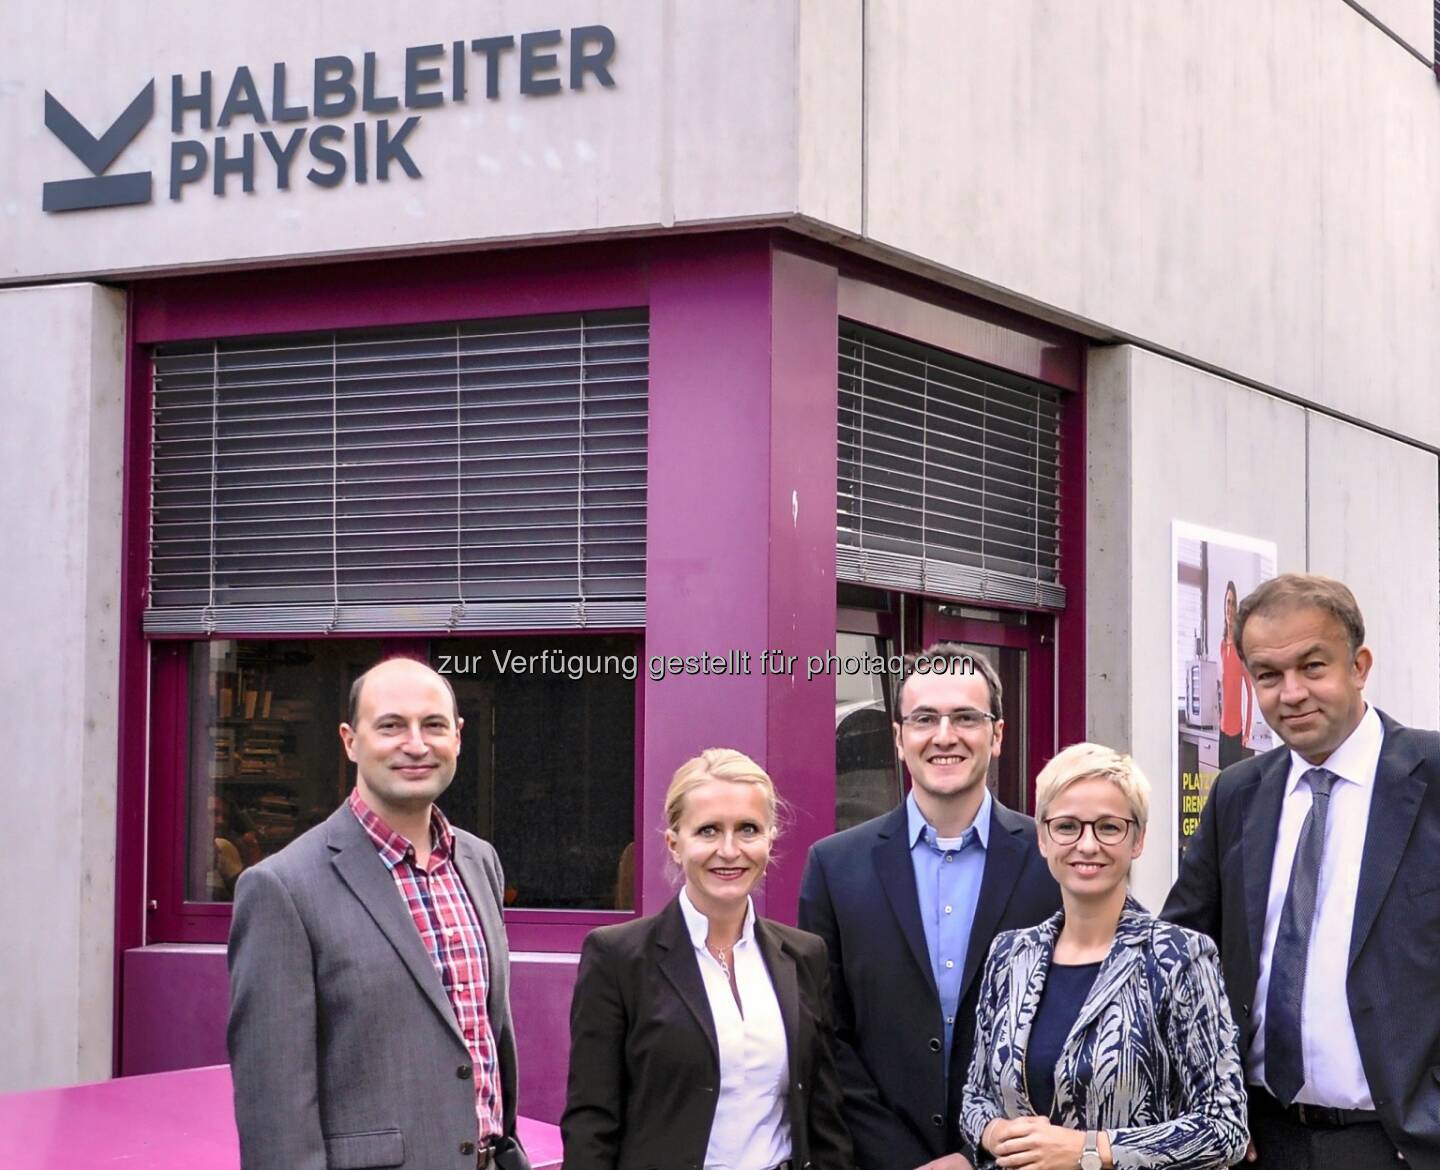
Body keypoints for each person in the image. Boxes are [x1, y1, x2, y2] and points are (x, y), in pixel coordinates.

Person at [1164, 573, 1440, 1168]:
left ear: (1359, 665)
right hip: (1259, 1141)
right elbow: (1185, 955)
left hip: (1400, 1145)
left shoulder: (1434, 778)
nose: (1291, 693)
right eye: (1268, 674)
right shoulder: (1238, 793)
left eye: (1313, 667)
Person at [227, 656, 529, 1170]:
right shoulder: (282, 888)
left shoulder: (480, 863)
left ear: (457, 737)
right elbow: (274, 1108)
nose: (416, 744)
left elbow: (484, 1043)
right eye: (390, 726)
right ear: (350, 741)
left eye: (433, 725)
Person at [799, 644, 1061, 1170]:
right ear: (899, 739)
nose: (945, 736)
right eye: (924, 719)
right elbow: (825, 1034)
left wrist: (976, 1155)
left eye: (966, 717)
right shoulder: (834, 867)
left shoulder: (1054, 860)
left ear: (998, 734)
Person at [561, 748, 852, 1170]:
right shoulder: (618, 958)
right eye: (709, 831)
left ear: (770, 840)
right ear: (675, 844)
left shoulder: (804, 956)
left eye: (748, 829)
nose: (729, 850)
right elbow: (592, 1122)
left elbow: (825, 1117)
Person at [962, 743, 1248, 1170]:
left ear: (1138, 839)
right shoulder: (1010, 955)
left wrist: (1089, 1152)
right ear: (1042, 837)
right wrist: (990, 1131)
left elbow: (1224, 1127)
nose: (1087, 844)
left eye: (1109, 827)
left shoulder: (1180, 958)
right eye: (1067, 827)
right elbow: (975, 1095)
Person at [1218, 580, 1255, 769]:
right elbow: (1222, 688)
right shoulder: (1223, 646)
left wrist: (1247, 731)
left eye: (1232, 603)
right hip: (1222, 730)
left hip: (1236, 732)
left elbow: (1250, 693)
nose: (1229, 608)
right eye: (1227, 602)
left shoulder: (1242, 648)